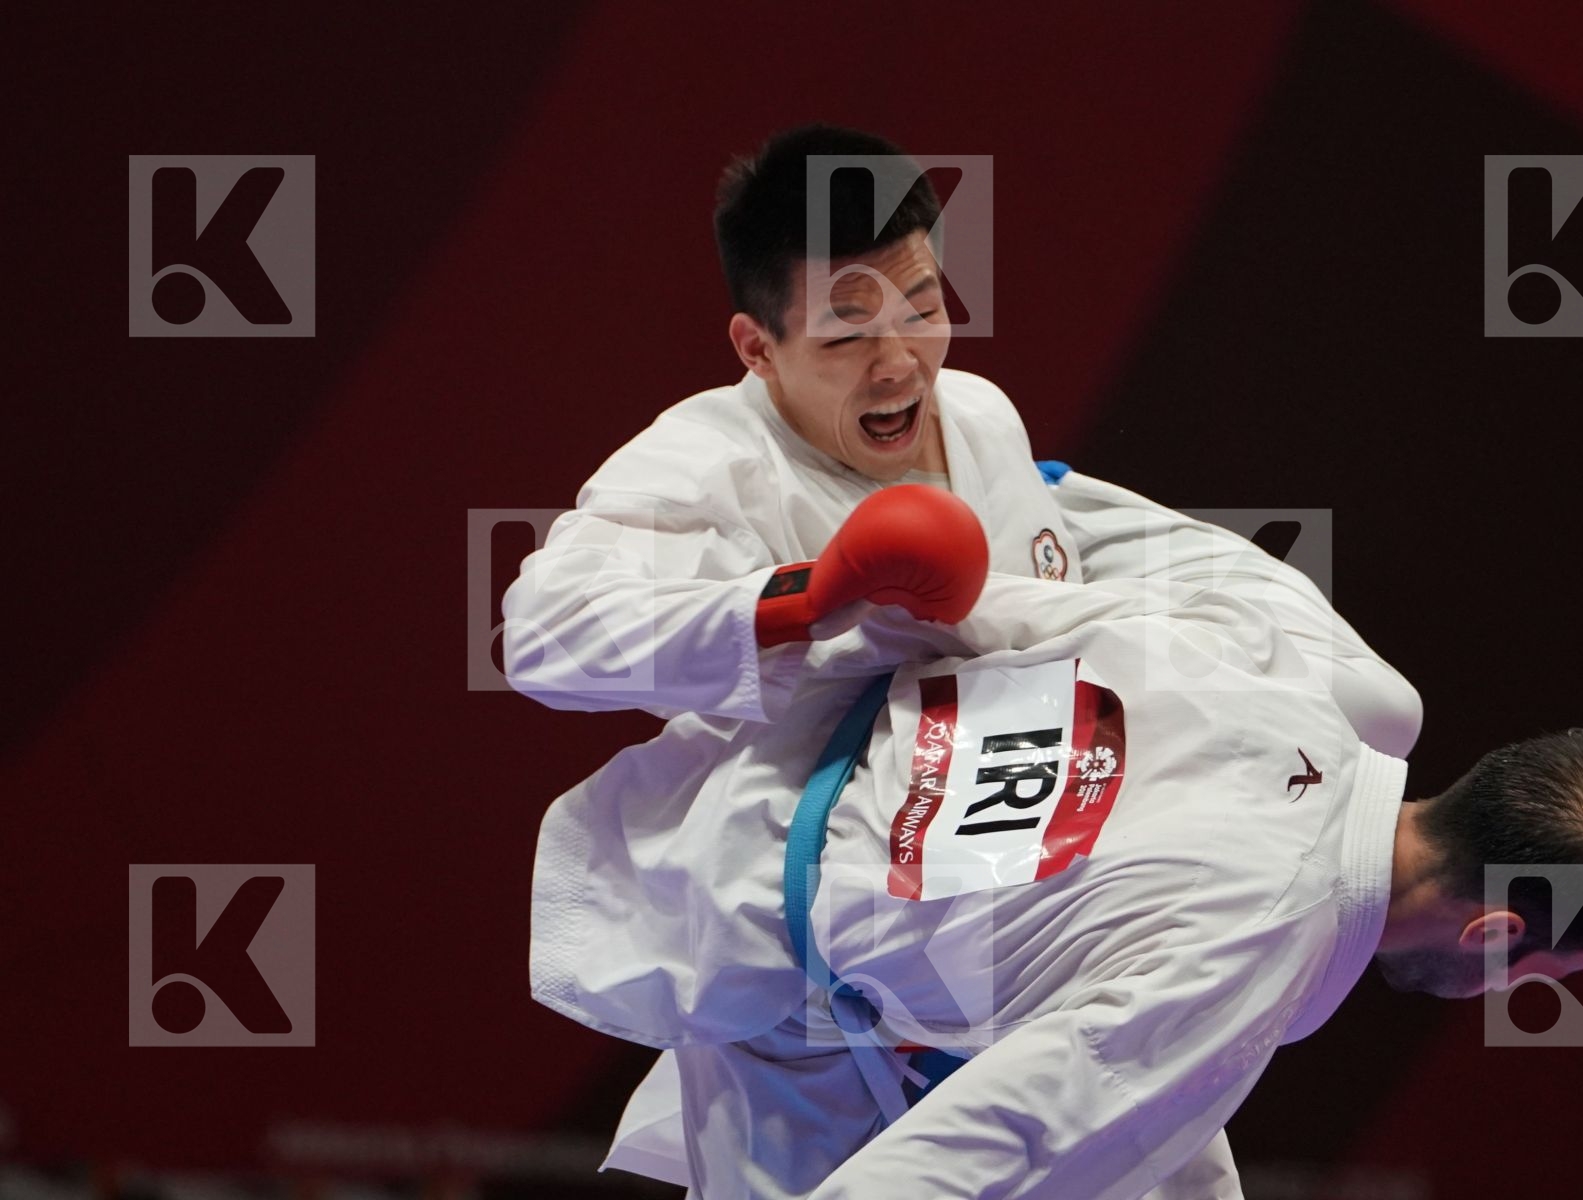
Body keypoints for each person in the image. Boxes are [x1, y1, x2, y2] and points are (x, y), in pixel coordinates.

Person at [503, 123, 1418, 1194]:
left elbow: (1068, 558)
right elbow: (545, 629)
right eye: (846, 336)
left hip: (1017, 903)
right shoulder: (707, 460)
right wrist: (815, 594)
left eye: (924, 309)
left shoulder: (978, 414)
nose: (900, 364)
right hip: (807, 972)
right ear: (756, 348)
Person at [528, 502, 1583, 1198]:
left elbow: (1050, 503)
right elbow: (989, 1150)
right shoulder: (1245, 972)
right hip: (759, 971)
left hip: (762, 739)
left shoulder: (1303, 659)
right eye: (1532, 975)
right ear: (1496, 934)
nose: (1498, 991)